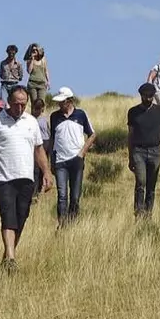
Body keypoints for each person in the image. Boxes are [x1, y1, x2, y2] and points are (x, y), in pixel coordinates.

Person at [0, 86, 52, 273]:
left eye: (23, 104)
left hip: (26, 177)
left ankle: (7, 257)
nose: (19, 108)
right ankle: (11, 258)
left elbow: (39, 149)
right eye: (16, 104)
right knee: (7, 215)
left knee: (21, 217)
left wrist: (47, 172)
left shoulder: (31, 122)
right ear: (9, 102)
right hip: (3, 178)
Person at [127, 83, 160, 219]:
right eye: (145, 96)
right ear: (141, 95)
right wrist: (130, 156)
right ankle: (138, 213)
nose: (148, 99)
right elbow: (130, 136)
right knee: (141, 182)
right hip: (139, 151)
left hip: (155, 151)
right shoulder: (133, 112)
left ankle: (148, 214)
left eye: (150, 96)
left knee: (151, 184)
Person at [49, 87, 96, 226]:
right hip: (60, 161)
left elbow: (92, 134)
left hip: (76, 160)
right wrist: (52, 159)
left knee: (75, 196)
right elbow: (52, 138)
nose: (59, 105)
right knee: (62, 196)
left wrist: (82, 152)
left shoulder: (81, 115)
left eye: (62, 102)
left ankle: (72, 223)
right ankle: (62, 225)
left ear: (69, 101)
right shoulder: (54, 116)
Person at [31, 98, 51, 201]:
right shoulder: (31, 118)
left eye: (39, 108)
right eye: (36, 108)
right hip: (35, 144)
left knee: (44, 166)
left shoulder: (46, 118)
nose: (37, 110)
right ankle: (34, 191)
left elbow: (49, 131)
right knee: (35, 168)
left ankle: (41, 189)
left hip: (46, 142)